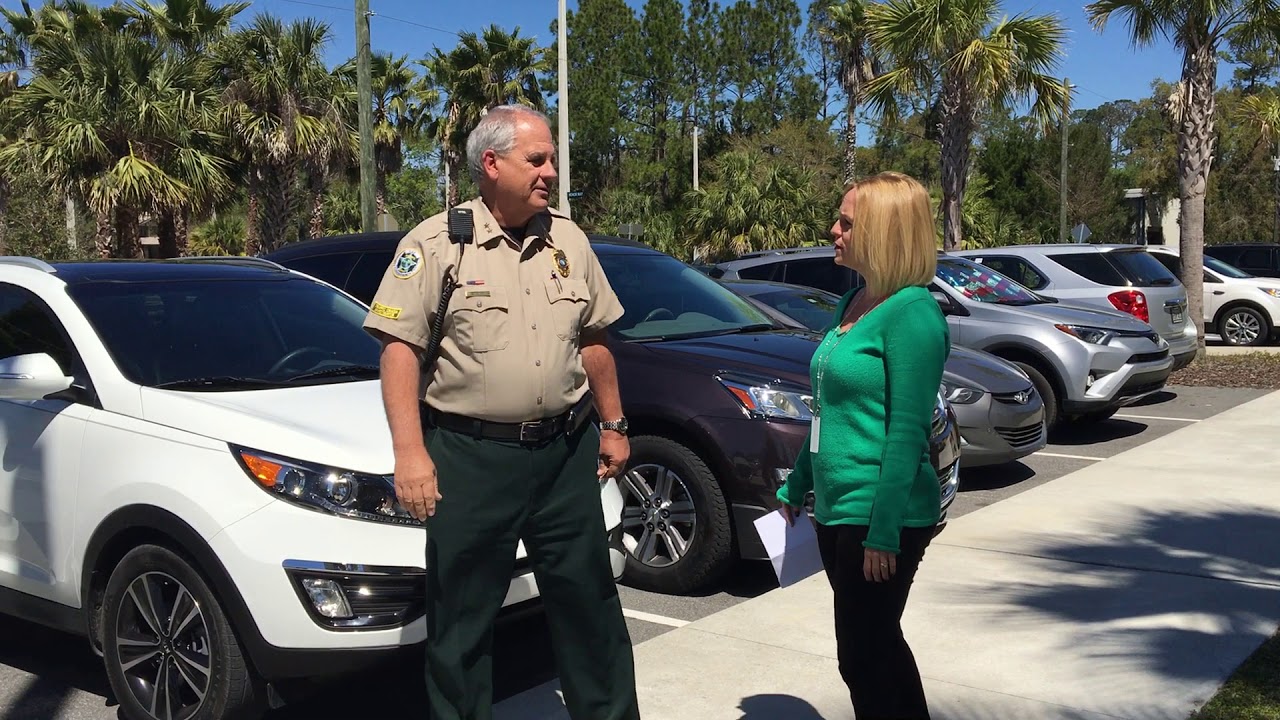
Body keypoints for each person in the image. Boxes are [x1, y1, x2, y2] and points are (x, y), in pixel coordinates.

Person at [361, 104, 641, 720]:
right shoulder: (436, 244)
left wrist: (615, 425)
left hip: (565, 453)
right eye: (536, 160)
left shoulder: (568, 239)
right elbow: (399, 352)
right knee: (462, 621)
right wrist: (410, 453)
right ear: (491, 164)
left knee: (590, 606)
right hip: (471, 458)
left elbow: (593, 337)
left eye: (552, 159)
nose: (550, 172)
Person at [776, 171, 948, 719]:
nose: (834, 231)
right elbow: (827, 411)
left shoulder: (913, 312)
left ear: (884, 231)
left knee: (864, 656)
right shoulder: (854, 302)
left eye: (847, 223)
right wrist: (798, 483)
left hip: (880, 515)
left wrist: (884, 531)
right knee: (874, 649)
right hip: (835, 509)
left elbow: (907, 432)